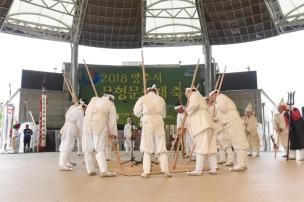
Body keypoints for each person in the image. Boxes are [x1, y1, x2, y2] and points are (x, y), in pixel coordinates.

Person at [133, 84, 172, 178]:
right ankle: (165, 170)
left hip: (147, 122)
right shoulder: (161, 99)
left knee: (147, 146)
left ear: (148, 91)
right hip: (158, 121)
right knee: (161, 146)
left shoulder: (143, 98)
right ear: (155, 91)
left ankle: (146, 171)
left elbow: (136, 113)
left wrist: (143, 110)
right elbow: (163, 114)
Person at [209, 90, 249, 172]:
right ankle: (243, 164)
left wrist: (216, 106)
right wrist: (213, 117)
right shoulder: (222, 98)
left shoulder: (220, 97)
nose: (212, 99)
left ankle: (240, 165)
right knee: (239, 142)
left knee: (237, 142)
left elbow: (223, 109)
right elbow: (221, 115)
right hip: (232, 121)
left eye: (212, 97)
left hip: (232, 121)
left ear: (214, 94)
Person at [82, 93, 118, 177]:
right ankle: (103, 170)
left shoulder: (93, 99)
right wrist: (112, 133)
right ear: (111, 99)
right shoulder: (111, 104)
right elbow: (112, 120)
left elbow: (87, 112)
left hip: (86, 124)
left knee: (88, 149)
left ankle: (90, 170)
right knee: (100, 148)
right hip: (99, 125)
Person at [185, 87, 217, 176]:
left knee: (200, 147)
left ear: (189, 92)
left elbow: (194, 105)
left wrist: (186, 111)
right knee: (211, 148)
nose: (187, 97)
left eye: (187, 95)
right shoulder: (201, 97)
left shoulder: (194, 95)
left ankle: (198, 170)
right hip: (208, 124)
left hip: (202, 125)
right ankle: (213, 169)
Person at [59, 100, 86, 171]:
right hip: (71, 128)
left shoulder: (73, 108)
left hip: (66, 127)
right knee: (67, 146)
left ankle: (65, 162)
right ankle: (62, 165)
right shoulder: (80, 111)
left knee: (65, 146)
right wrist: (82, 135)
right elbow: (80, 124)